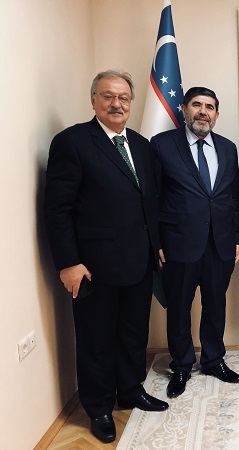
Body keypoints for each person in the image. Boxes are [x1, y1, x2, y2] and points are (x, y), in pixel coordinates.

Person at [44, 70, 168, 444]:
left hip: (139, 262)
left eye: (123, 98)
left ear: (131, 103)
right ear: (94, 99)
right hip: (93, 267)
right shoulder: (72, 142)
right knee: (95, 340)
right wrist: (68, 263)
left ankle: (129, 391)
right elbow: (57, 209)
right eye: (108, 96)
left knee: (133, 334)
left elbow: (148, 201)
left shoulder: (141, 145)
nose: (117, 104)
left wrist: (156, 245)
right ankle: (98, 408)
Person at [151, 87, 239, 399]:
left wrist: (237, 237)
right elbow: (152, 197)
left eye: (210, 107)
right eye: (197, 105)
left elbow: (234, 196)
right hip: (178, 244)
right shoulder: (162, 144)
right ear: (184, 109)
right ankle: (181, 365)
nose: (203, 111)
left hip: (220, 244)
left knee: (216, 305)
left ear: (216, 114)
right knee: (179, 308)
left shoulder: (228, 148)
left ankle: (214, 360)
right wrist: (156, 242)